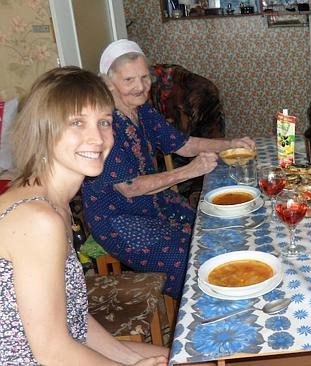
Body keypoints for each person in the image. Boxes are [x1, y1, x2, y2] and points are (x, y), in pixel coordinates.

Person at [0, 66, 167, 365]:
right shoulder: (37, 220)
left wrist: (129, 359)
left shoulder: (54, 204)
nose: (97, 138)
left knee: (178, 358)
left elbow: (73, 316)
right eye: (77, 122)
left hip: (65, 351)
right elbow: (52, 352)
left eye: (104, 121)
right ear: (43, 130)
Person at [81, 39, 255, 299]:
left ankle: (237, 291)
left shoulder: (141, 111)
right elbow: (130, 188)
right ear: (108, 82)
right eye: (129, 80)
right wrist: (189, 171)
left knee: (213, 229)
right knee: (191, 260)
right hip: (121, 220)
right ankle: (204, 313)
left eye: (144, 78)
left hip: (155, 202)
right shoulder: (105, 126)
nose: (140, 87)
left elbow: (182, 144)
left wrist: (230, 144)